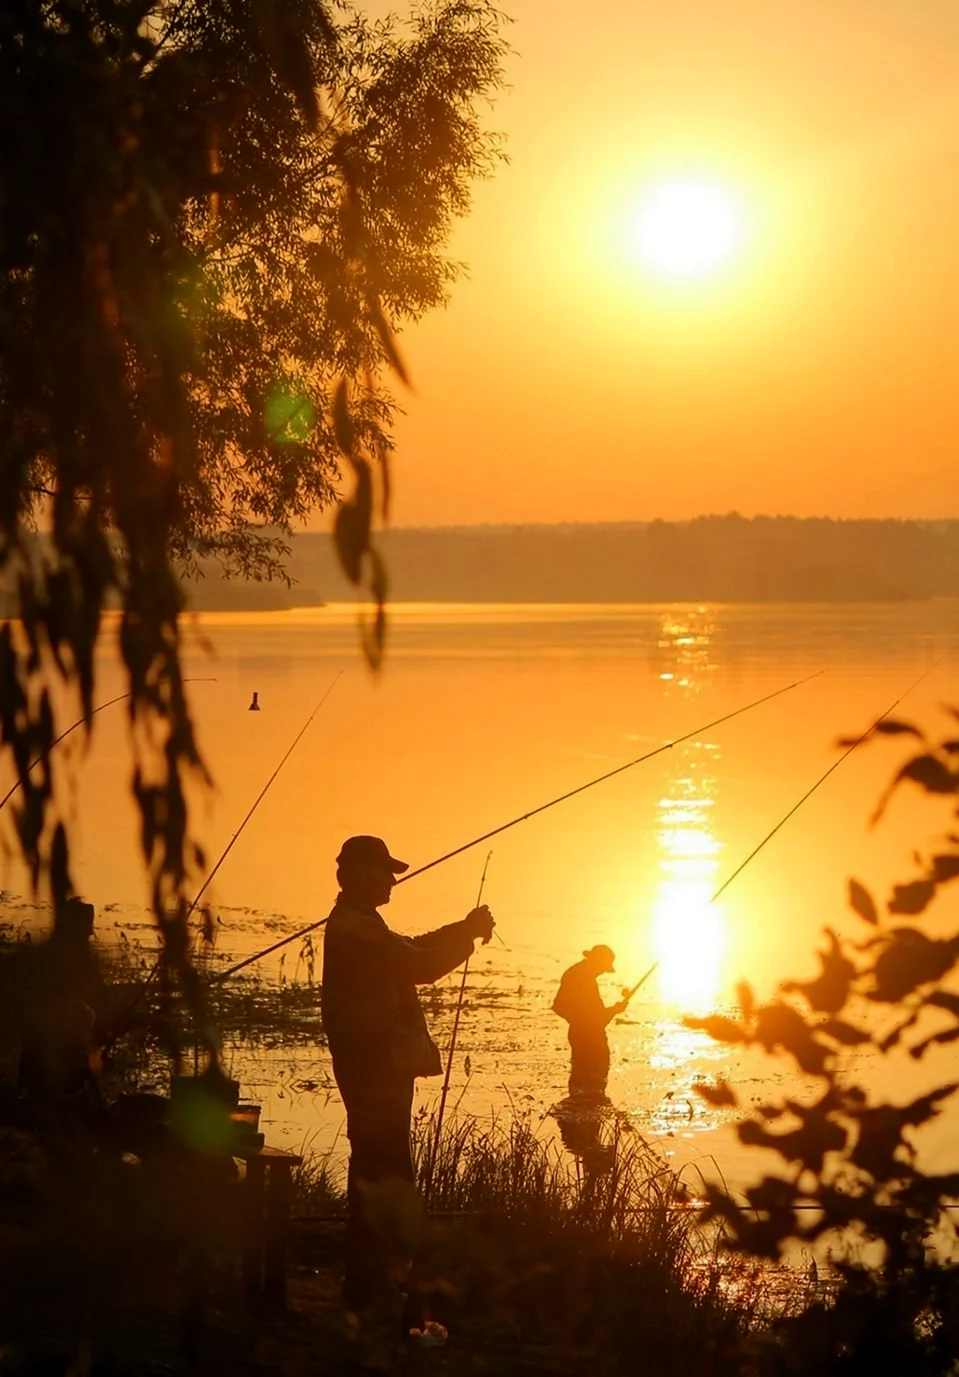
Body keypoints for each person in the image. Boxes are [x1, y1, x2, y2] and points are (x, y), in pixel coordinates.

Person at [321, 835, 495, 1320]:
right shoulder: (356, 928)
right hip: (373, 1065)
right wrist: (466, 937)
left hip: (379, 1063)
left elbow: (410, 948)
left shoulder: (365, 926)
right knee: (385, 1171)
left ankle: (368, 1282)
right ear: (355, 874)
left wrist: (462, 928)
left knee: (378, 1169)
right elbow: (421, 966)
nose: (392, 879)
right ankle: (372, 1286)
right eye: (383, 871)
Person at [552, 944, 628, 1098]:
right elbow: (596, 1018)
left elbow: (559, 1006)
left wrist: (577, 1020)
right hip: (589, 1036)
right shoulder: (584, 979)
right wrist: (615, 1009)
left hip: (578, 1032)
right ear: (597, 962)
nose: (601, 973)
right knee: (595, 1078)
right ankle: (587, 1112)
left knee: (579, 1078)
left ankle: (578, 1111)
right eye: (602, 968)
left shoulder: (576, 973)